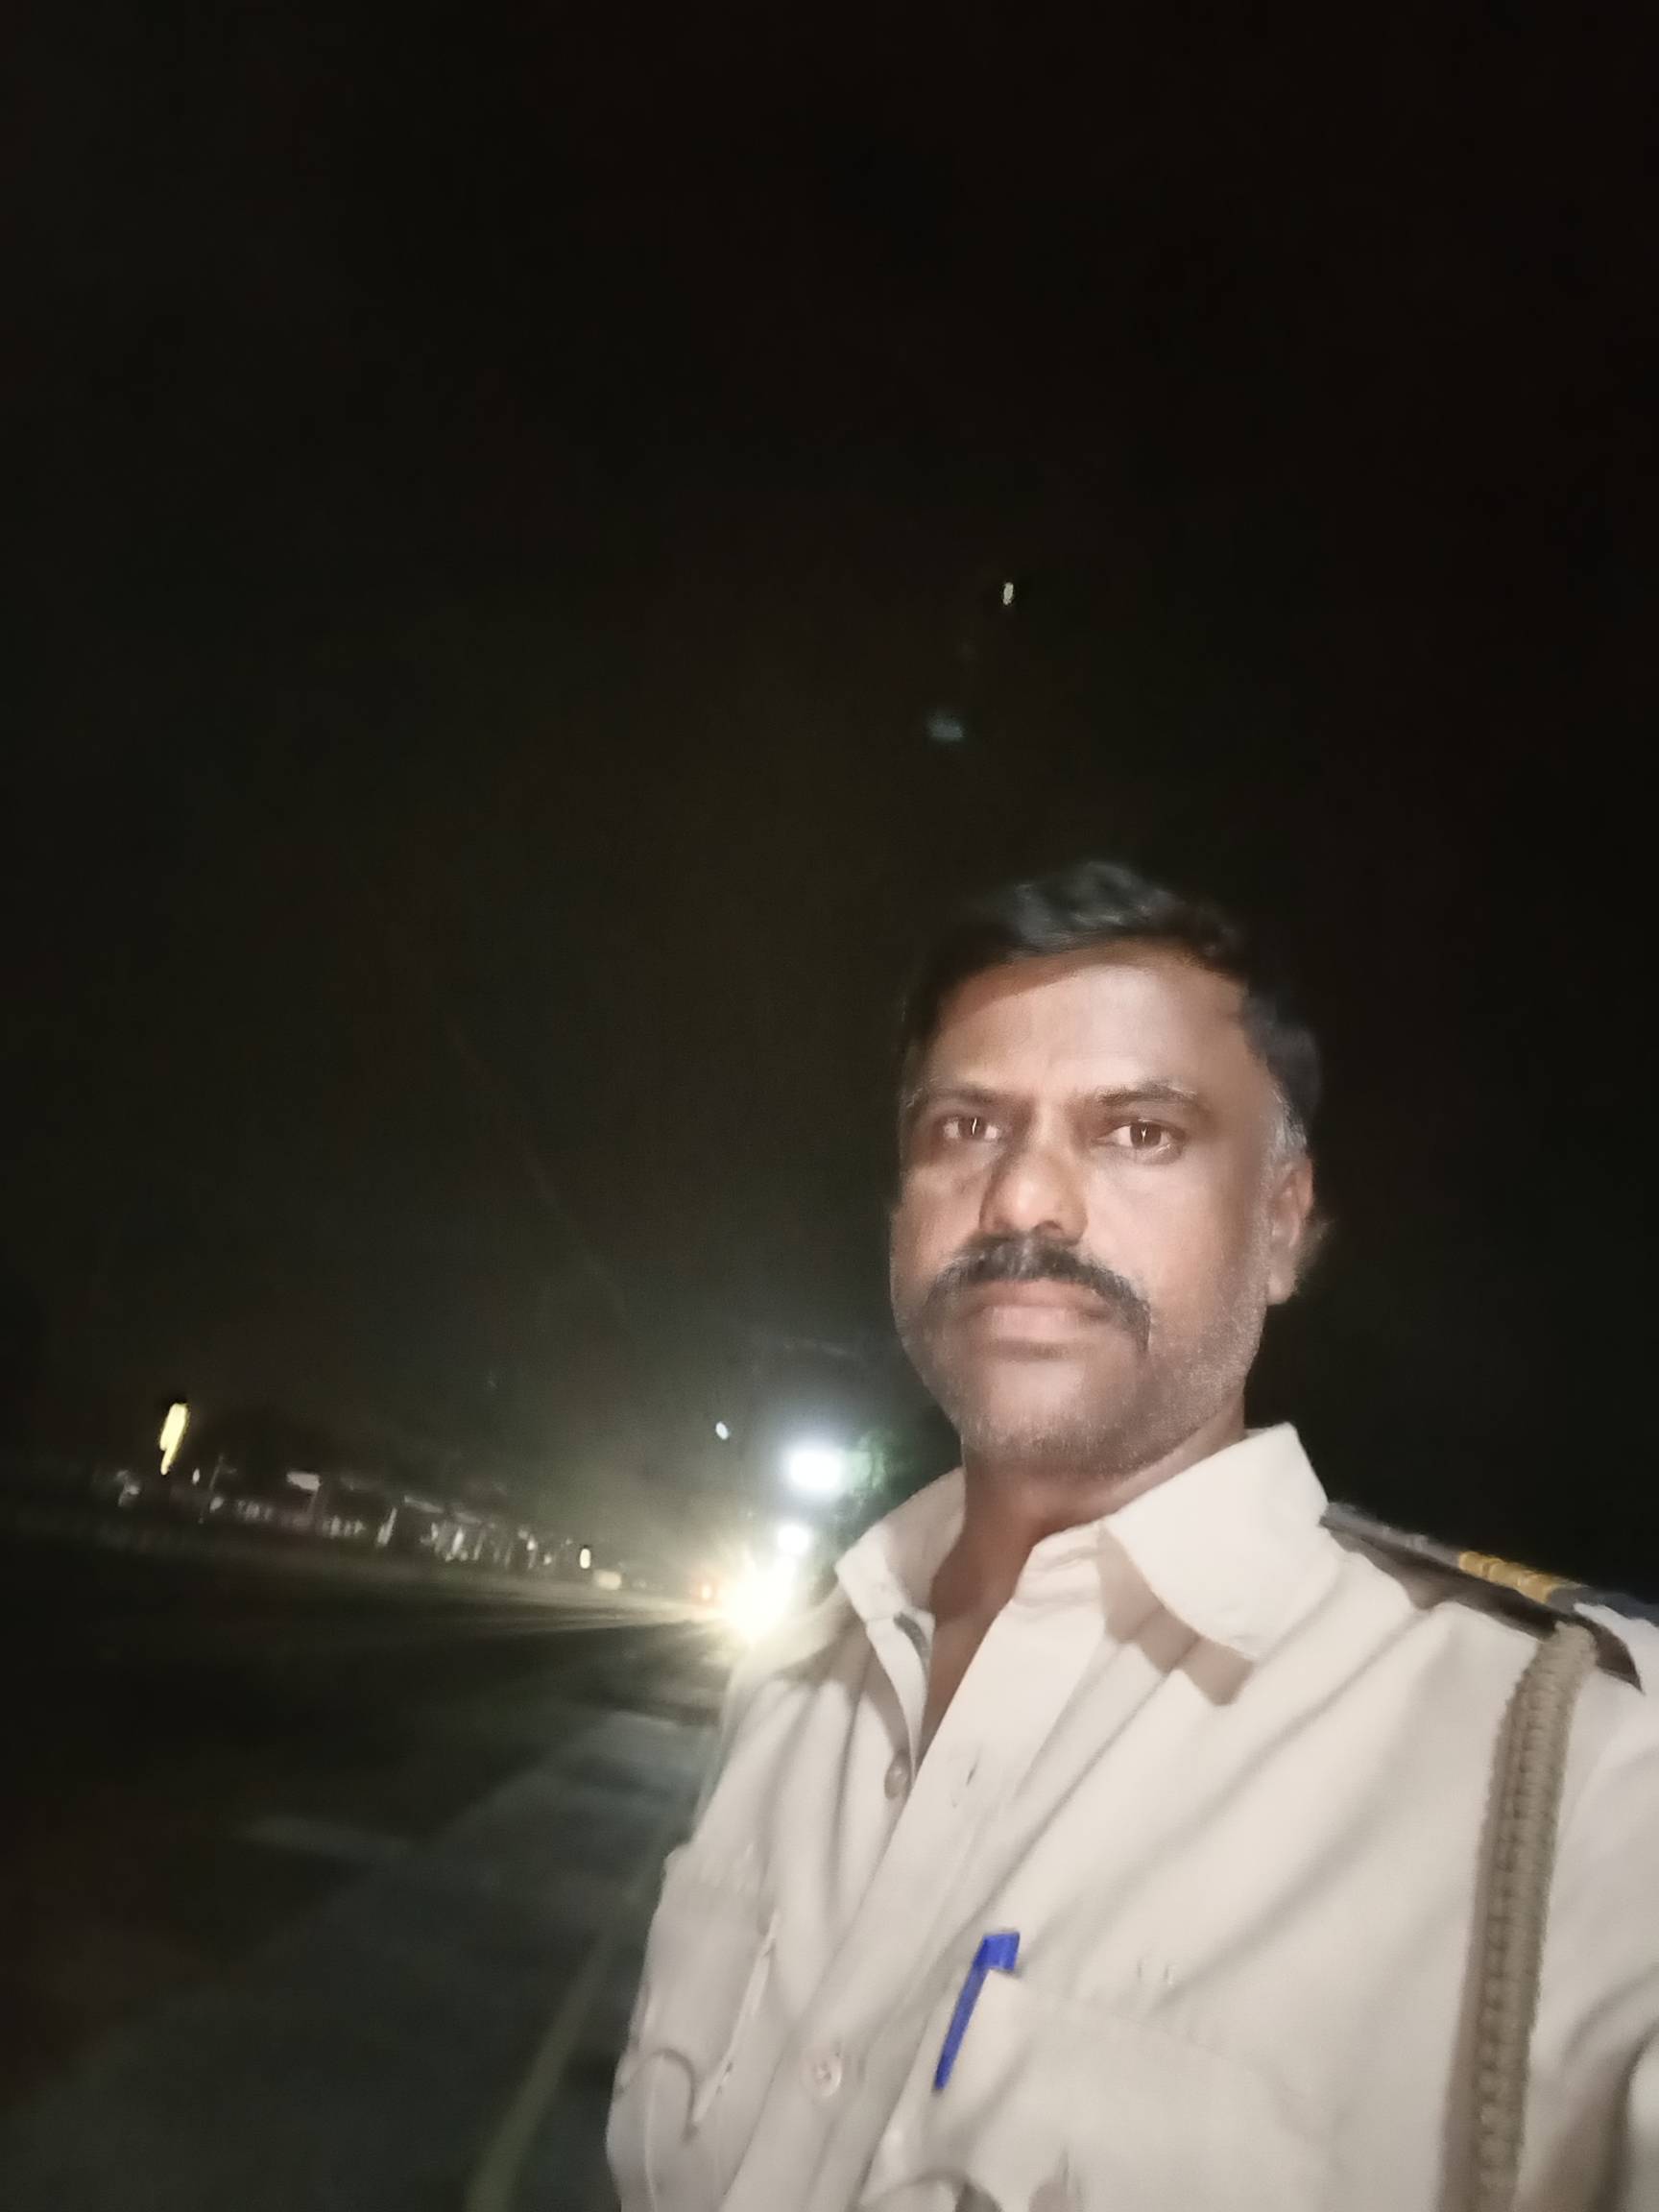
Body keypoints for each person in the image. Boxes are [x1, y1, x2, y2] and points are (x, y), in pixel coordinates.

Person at [608, 859, 1659, 2212]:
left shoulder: (1574, 1783)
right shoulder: (795, 1683)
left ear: (1282, 1225)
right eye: (965, 1128)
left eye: (1140, 1132)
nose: (1023, 1202)